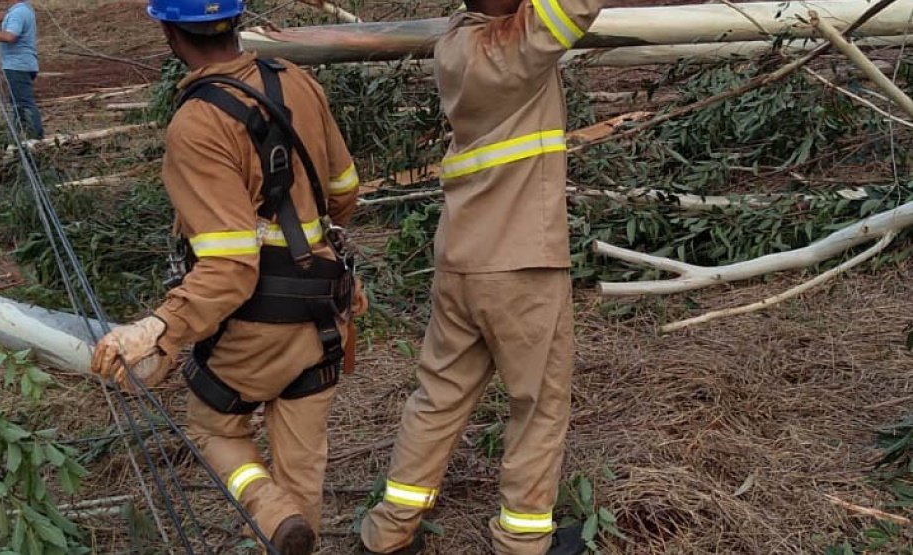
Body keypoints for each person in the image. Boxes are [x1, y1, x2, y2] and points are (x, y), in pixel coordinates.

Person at [90, 1, 365, 553]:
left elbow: (230, 271)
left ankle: (266, 510)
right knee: (301, 467)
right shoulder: (297, 81)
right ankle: (285, 527)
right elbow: (345, 191)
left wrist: (157, 329)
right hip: (325, 317)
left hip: (255, 324)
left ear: (169, 32)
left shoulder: (197, 124)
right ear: (236, 22)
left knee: (213, 427)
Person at [359, 0, 607, 554]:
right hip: (521, 265)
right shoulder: (514, 51)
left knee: (439, 396)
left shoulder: (455, 43)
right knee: (538, 406)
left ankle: (388, 530)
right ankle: (522, 543)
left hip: (460, 259)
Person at [0, 0, 42, 139]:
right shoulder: (21, 10)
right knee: (18, 104)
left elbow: (10, 36)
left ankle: (35, 140)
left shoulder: (18, 13)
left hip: (17, 66)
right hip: (22, 64)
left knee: (23, 104)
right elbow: (4, 16)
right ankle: (22, 138)